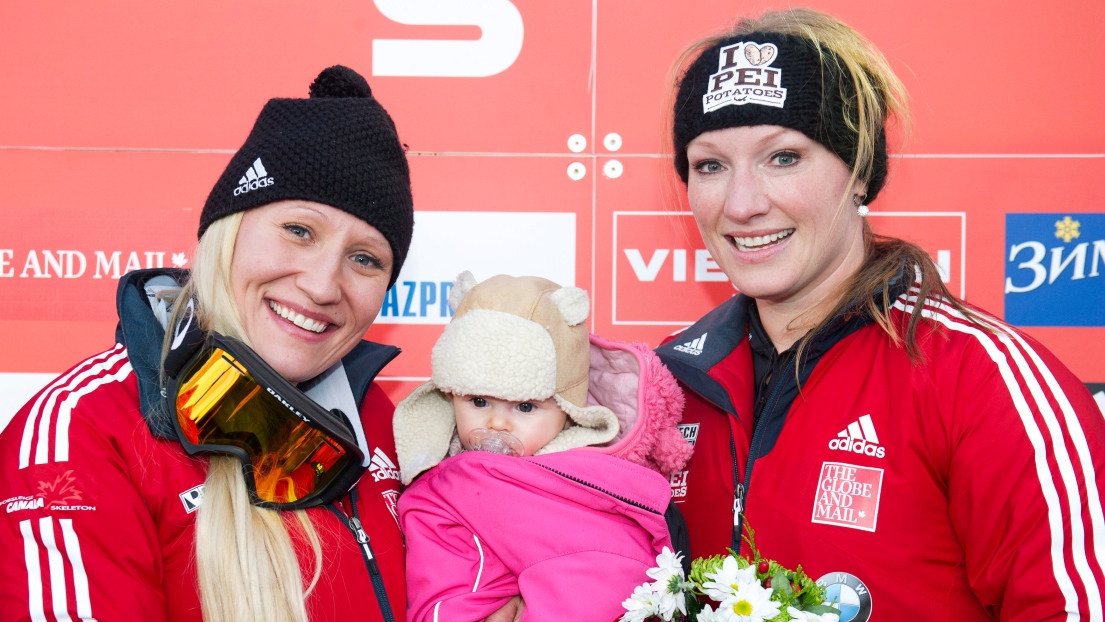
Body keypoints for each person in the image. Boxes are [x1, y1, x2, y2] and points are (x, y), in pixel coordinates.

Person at [657, 8, 1105, 620]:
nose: (741, 203)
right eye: (709, 165)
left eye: (783, 157)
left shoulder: (982, 378)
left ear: (861, 171)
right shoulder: (663, 387)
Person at [0, 66, 415, 622]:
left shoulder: (387, 423)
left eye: (365, 259)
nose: (322, 285)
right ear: (227, 233)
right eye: (299, 230)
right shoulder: (87, 427)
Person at [393, 272, 694, 621]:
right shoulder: (444, 486)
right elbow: (444, 586)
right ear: (449, 395)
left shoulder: (598, 470)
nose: (497, 424)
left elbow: (602, 566)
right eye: (477, 401)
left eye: (525, 407)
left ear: (567, 411)